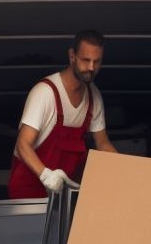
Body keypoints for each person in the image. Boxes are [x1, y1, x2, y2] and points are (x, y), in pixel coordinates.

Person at [8, 29, 118, 199]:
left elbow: (103, 144)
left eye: (97, 62)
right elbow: (23, 144)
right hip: (28, 191)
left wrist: (125, 171)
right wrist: (46, 175)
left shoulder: (94, 96)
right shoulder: (45, 93)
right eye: (86, 60)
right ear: (72, 56)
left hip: (61, 196)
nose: (91, 68)